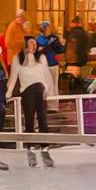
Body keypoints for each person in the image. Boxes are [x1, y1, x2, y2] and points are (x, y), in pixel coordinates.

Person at [15, 36, 56, 166]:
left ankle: (45, 148)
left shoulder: (41, 57)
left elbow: (46, 75)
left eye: (35, 44)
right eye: (30, 44)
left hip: (40, 90)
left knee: (43, 119)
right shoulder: (19, 59)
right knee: (29, 120)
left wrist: (47, 90)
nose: (33, 46)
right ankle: (30, 148)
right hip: (26, 91)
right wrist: (8, 93)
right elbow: (13, 77)